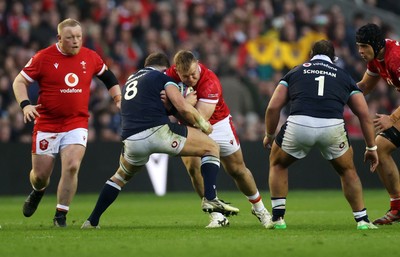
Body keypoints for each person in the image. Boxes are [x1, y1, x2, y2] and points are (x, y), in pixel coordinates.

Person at [81, 52, 238, 229]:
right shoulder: (161, 77)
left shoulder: (132, 79)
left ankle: (92, 220)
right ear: (164, 68)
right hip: (158, 132)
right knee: (211, 146)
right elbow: (182, 107)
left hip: (131, 139)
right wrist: (203, 123)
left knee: (119, 177)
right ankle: (210, 198)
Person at [12, 18, 122, 227]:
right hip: (47, 123)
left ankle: (60, 215)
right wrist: (25, 105)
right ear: (59, 38)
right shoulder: (43, 57)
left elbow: (109, 78)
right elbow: (19, 81)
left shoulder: (90, 56)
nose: (76, 41)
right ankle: (38, 190)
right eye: (70, 37)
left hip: (76, 122)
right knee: (40, 176)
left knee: (71, 166)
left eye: (79, 37)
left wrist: (118, 99)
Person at [263, 40, 379, 230]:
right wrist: (371, 147)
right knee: (347, 171)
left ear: (310, 54)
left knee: (278, 163)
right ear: (333, 58)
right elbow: (364, 114)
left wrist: (269, 134)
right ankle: (363, 220)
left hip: (299, 124)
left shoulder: (296, 71)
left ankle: (278, 219)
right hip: (332, 126)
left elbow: (273, 106)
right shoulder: (343, 75)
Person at [165, 50, 271, 228]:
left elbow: (200, 119)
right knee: (193, 168)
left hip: (216, 123)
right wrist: (183, 105)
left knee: (237, 169)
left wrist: (182, 104)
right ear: (177, 71)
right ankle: (216, 215)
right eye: (186, 76)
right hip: (188, 126)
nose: (191, 79)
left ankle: (259, 208)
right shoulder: (169, 75)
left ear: (198, 64)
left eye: (194, 74)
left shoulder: (210, 82)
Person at [356, 23, 400, 225]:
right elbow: (364, 86)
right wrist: (338, 93)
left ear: (375, 44)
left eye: (364, 46)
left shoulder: (395, 58)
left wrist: (392, 119)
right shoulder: (376, 60)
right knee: (380, 148)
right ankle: (398, 208)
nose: (360, 51)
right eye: (358, 46)